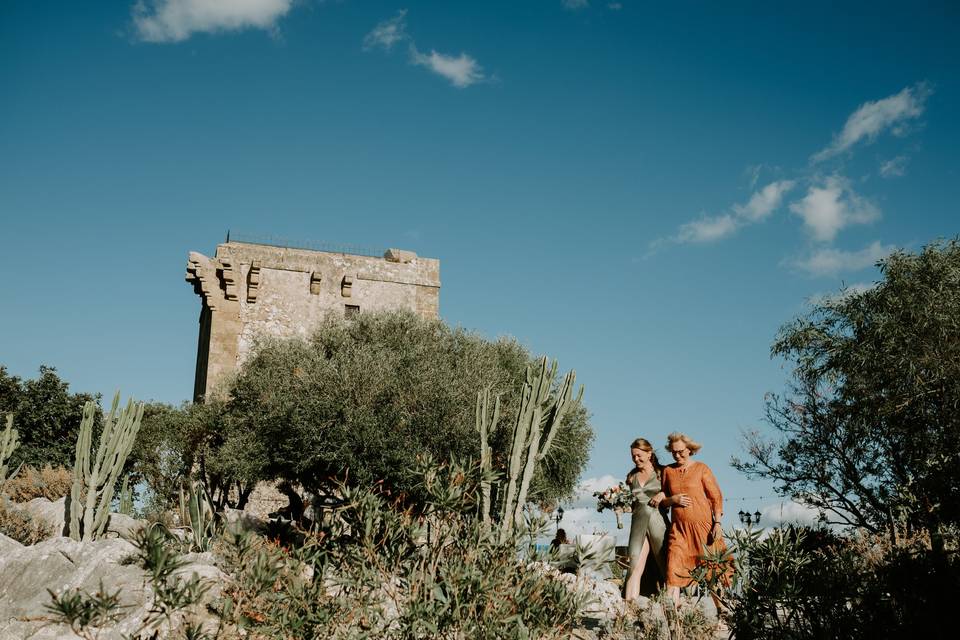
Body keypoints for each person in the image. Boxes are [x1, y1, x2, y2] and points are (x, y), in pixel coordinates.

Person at [658, 432, 731, 611]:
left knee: (712, 571)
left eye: (681, 451)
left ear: (690, 450)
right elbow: (663, 501)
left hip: (703, 529)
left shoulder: (701, 468)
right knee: (672, 570)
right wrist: (673, 499)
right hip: (680, 530)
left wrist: (718, 523)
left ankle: (723, 613)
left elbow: (716, 497)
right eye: (674, 452)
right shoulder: (668, 471)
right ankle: (672, 620)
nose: (677, 455)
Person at [623, 437, 669, 601]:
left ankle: (672, 607)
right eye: (633, 456)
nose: (636, 459)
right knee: (633, 566)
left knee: (665, 565)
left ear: (649, 453)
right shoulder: (631, 477)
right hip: (638, 524)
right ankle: (629, 610)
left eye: (639, 455)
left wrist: (663, 494)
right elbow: (631, 502)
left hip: (658, 523)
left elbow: (672, 493)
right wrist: (621, 506)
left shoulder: (663, 472)